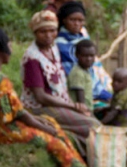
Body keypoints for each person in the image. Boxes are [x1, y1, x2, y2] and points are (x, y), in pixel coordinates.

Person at [0, 28, 112, 167]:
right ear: (0, 49)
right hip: (0, 131)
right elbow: (16, 113)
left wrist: (42, 123)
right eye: (9, 43)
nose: (11, 47)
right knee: (55, 141)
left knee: (55, 128)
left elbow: (8, 110)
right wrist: (43, 127)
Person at [21, 10, 98, 143]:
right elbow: (41, 97)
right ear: (35, 33)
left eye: (52, 31)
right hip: (39, 108)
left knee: (92, 121)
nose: (48, 35)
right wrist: (71, 106)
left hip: (59, 103)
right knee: (92, 127)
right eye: (43, 32)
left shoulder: (53, 48)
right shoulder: (32, 59)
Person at [56, 1, 112, 103]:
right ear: (64, 20)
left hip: (94, 86)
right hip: (79, 91)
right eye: (72, 20)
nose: (77, 24)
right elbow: (76, 76)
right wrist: (104, 94)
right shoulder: (62, 45)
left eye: (80, 20)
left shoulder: (81, 37)